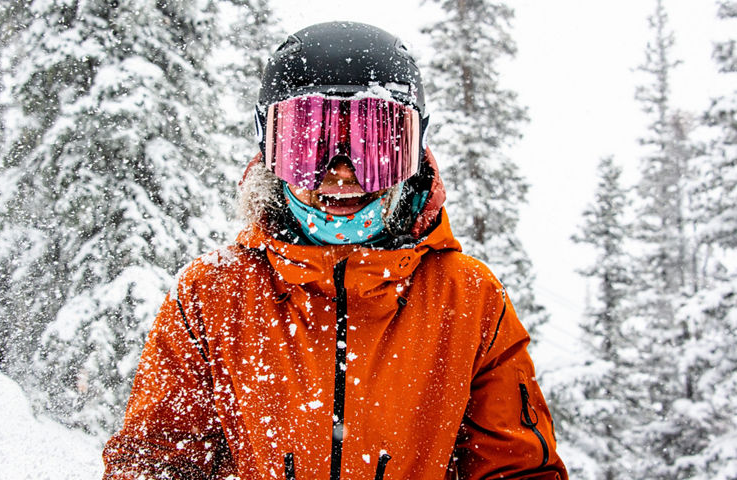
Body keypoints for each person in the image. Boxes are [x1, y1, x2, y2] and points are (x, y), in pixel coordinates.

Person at [103, 21, 568, 480]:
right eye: (309, 144)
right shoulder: (214, 296)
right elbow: (155, 463)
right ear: (270, 151)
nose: (341, 173)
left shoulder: (466, 300)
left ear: (412, 152)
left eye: (376, 144)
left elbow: (517, 472)